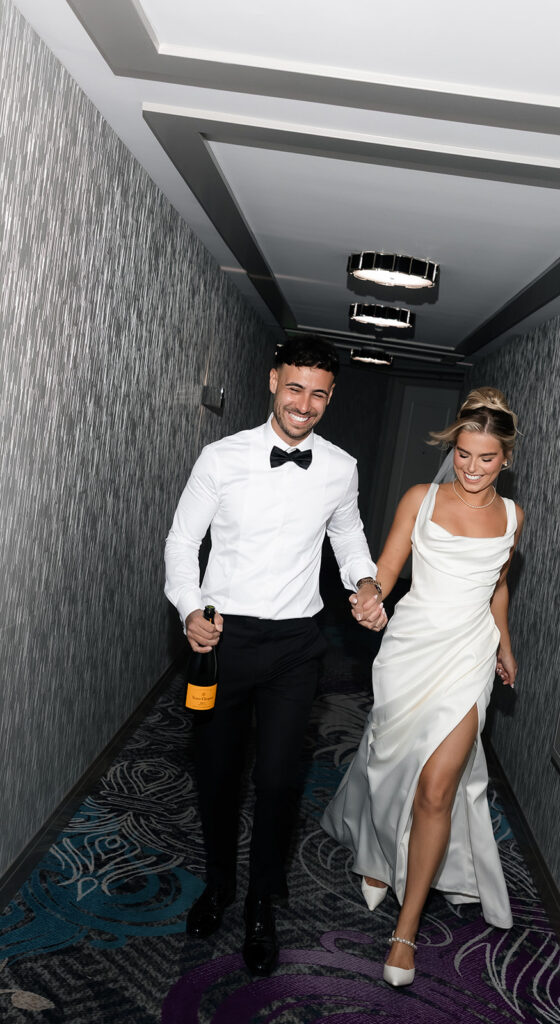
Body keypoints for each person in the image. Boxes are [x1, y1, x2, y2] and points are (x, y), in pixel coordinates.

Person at [164, 337, 385, 976]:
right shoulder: (221, 457)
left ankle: (261, 902)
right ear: (272, 382)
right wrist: (189, 610)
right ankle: (219, 884)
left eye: (318, 394)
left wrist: (365, 583)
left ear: (330, 397)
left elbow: (348, 538)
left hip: (296, 646)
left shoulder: (340, 468)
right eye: (294, 388)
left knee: (281, 780)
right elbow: (182, 542)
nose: (304, 404)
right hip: (224, 641)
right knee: (217, 774)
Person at [321, 386, 524, 987]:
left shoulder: (514, 517)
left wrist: (505, 644)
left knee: (437, 788)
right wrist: (369, 596)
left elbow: (497, 585)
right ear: (451, 448)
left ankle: (405, 931)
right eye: (463, 454)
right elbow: (386, 570)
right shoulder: (421, 497)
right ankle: (378, 851)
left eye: (486, 458)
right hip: (409, 650)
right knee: (390, 764)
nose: (472, 468)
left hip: (468, 656)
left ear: (506, 458)